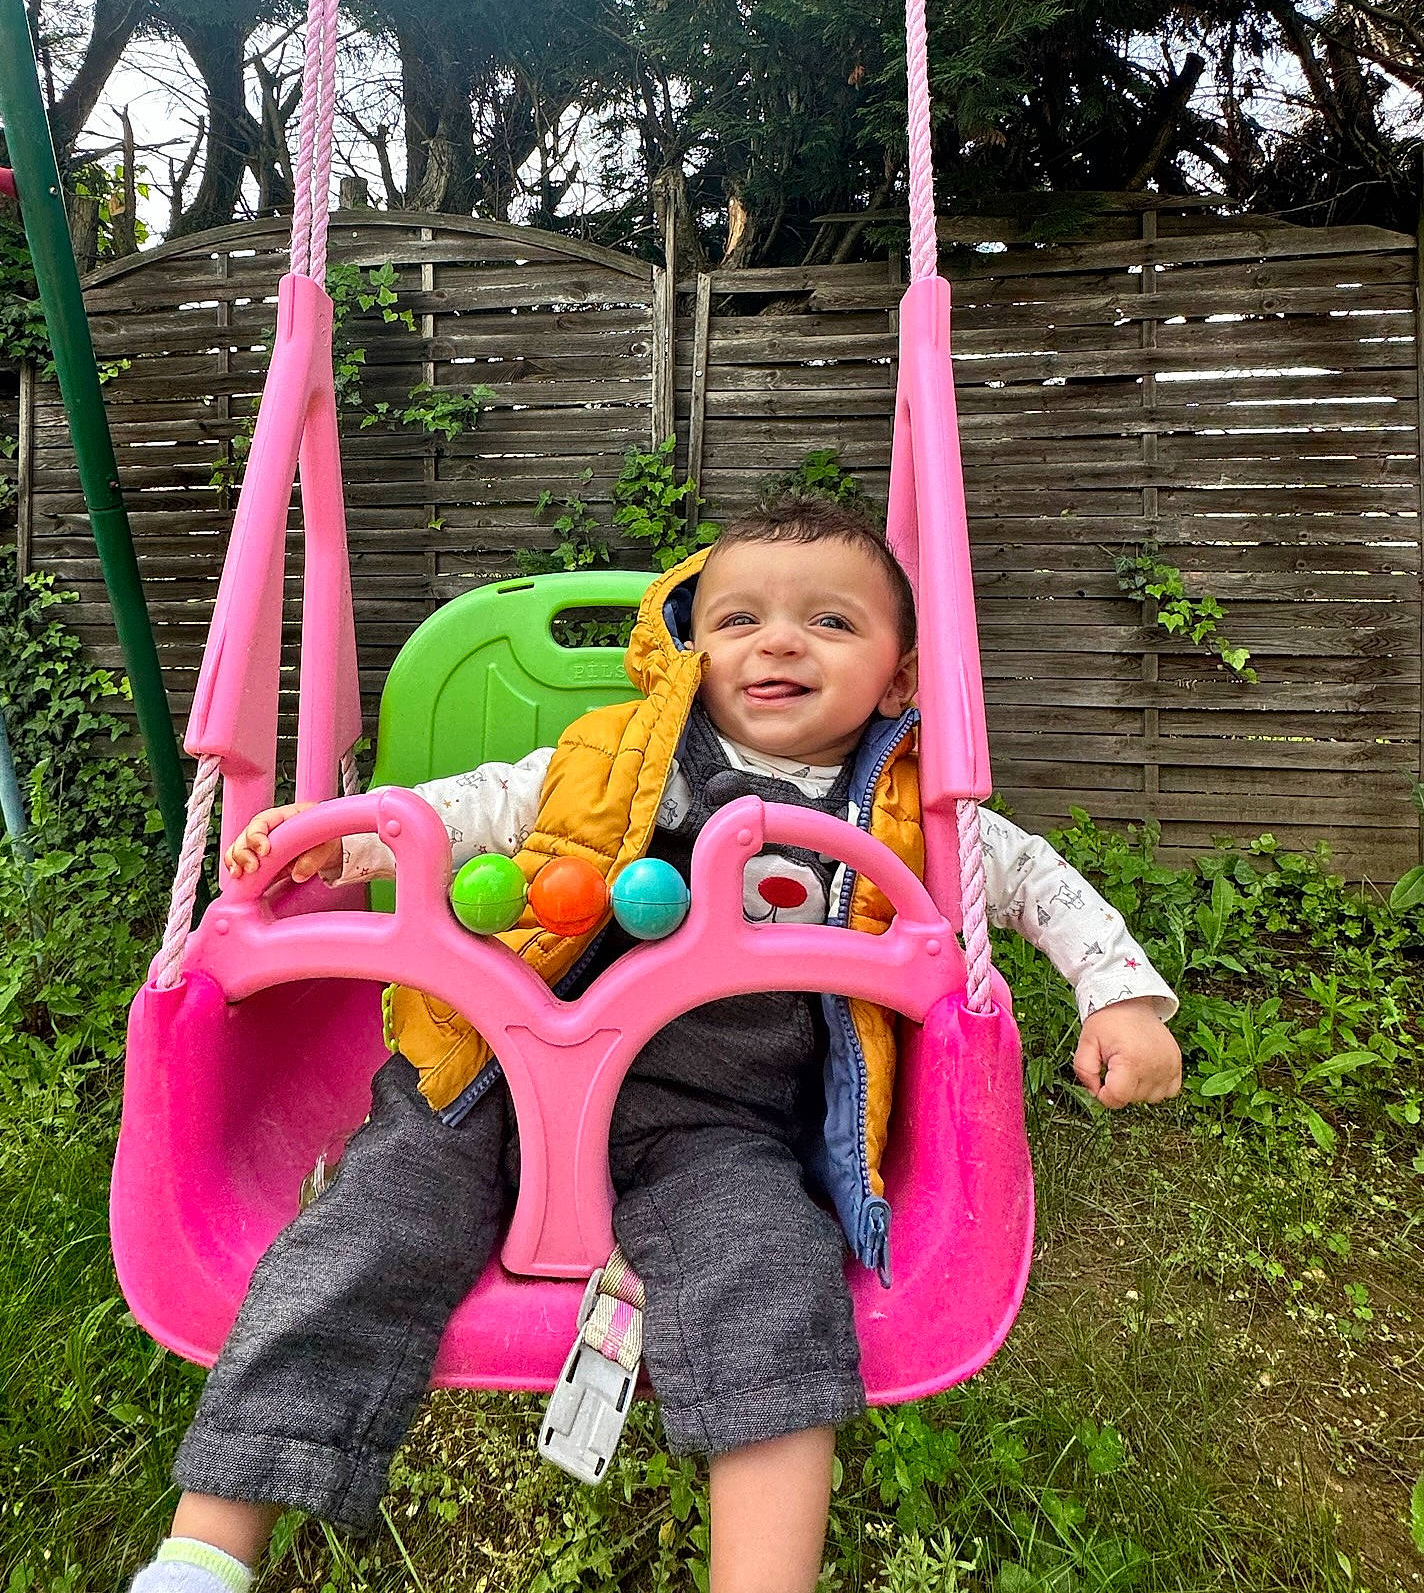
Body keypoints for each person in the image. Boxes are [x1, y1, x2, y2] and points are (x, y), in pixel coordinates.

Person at [130, 497, 1181, 1593]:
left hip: (720, 1116)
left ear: (901, 676)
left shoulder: (912, 809)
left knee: (772, 1267)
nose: (777, 642)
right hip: (494, 1070)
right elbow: (476, 805)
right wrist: (345, 839)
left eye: (828, 620)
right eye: (739, 619)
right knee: (368, 1225)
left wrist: (1119, 998)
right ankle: (205, 1552)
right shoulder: (621, 755)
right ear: (694, 647)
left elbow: (1036, 882)